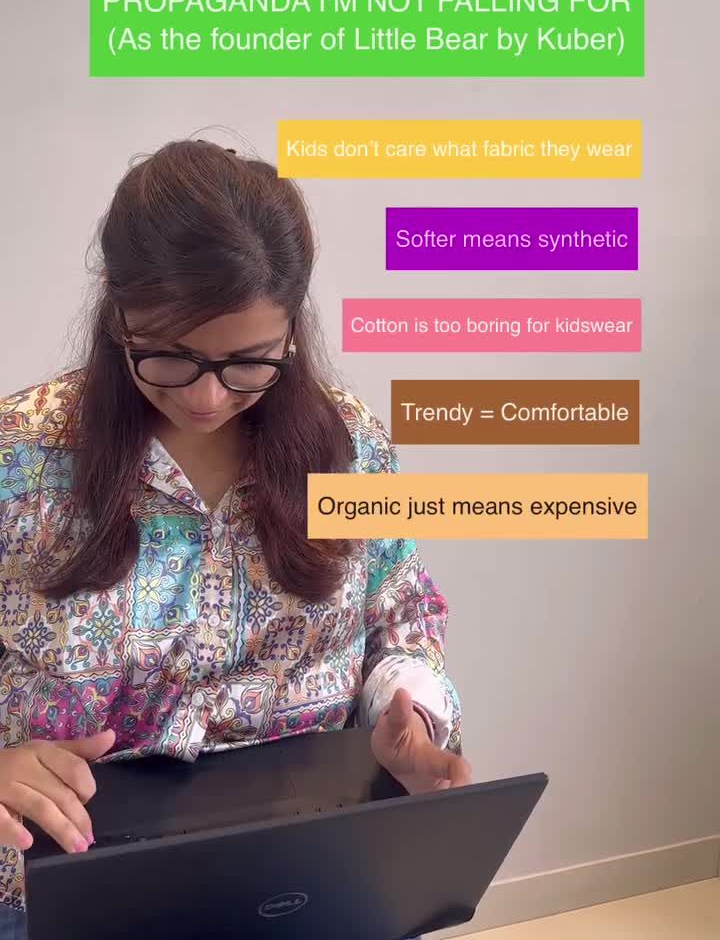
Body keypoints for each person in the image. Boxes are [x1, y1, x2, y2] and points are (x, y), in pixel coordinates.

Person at [0, 138, 469, 938]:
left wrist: (411, 718)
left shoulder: (349, 448)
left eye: (248, 362)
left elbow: (401, 618)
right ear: (117, 317)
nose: (209, 399)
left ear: (291, 332)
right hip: (68, 893)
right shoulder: (20, 457)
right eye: (170, 358)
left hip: (306, 875)